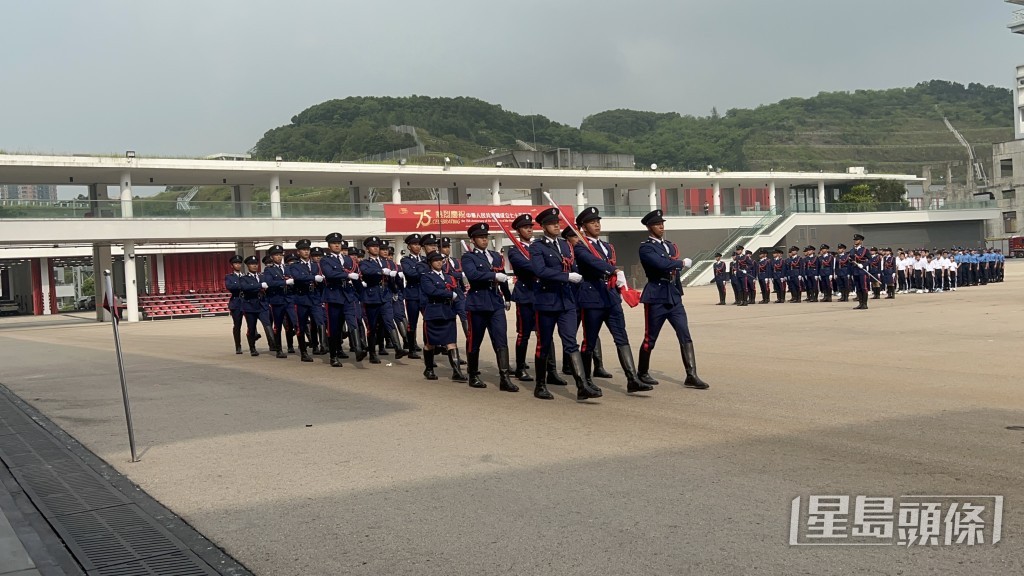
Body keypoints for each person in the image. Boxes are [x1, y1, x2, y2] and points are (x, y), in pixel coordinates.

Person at [573, 207, 653, 393]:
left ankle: (632, 379)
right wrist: (614, 271)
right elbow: (594, 263)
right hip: (592, 297)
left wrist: (617, 280)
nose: (597, 225)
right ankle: (585, 381)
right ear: (583, 227)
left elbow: (608, 262)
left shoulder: (606, 247)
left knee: (621, 337)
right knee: (589, 341)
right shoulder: (580, 246)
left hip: (610, 297)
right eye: (592, 222)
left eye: (598, 221)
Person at [529, 207, 602, 401]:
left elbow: (574, 265)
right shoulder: (537, 246)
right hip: (546, 301)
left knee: (571, 342)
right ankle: (540, 385)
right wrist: (566, 276)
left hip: (566, 301)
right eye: (552, 223)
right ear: (543, 226)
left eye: (557, 222)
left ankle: (582, 385)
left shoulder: (565, 245)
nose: (556, 225)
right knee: (543, 345)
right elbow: (540, 270)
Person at [638, 209, 708, 389]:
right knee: (650, 338)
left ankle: (691, 375)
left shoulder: (670, 245)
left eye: (662, 223)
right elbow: (660, 264)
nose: (661, 226)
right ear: (649, 227)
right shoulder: (646, 247)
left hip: (673, 296)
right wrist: (681, 263)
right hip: (656, 296)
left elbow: (672, 267)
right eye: (657, 224)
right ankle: (642, 372)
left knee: (685, 334)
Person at [461, 222, 517, 391]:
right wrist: (493, 275)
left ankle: (505, 377)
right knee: (474, 339)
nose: (484, 240)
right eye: (480, 238)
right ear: (473, 240)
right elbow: (473, 275)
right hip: (478, 302)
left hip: (495, 302)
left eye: (486, 237)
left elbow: (503, 277)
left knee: (501, 338)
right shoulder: (468, 257)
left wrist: (507, 297)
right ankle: (473, 374)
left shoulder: (496, 256)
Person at [420, 250, 468, 382]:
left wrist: (461, 309)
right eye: (436, 260)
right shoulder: (426, 276)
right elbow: (431, 291)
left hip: (448, 312)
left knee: (451, 342)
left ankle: (457, 372)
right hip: (434, 312)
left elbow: (457, 292)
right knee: (430, 344)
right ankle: (429, 369)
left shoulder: (448, 276)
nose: (439, 262)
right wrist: (448, 294)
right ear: (430, 263)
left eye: (441, 260)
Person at [360, 236, 407, 364]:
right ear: (367, 249)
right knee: (373, 326)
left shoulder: (388, 262)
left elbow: (394, 277)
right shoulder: (365, 263)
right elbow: (366, 272)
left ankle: (398, 348)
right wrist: (381, 271)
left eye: (377, 246)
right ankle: (372, 353)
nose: (376, 248)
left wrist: (398, 284)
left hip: (385, 296)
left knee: (389, 321)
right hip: (372, 297)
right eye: (373, 246)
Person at [507, 213, 538, 381]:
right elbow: (526, 266)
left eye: (531, 227)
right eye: (526, 227)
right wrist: (541, 267)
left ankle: (549, 367)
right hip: (525, 295)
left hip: (541, 294)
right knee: (524, 334)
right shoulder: (514, 250)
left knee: (543, 333)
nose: (529, 230)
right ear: (518, 230)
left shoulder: (538, 246)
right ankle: (520, 367)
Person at [262, 245, 298, 359]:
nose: (279, 257)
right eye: (276, 255)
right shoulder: (269, 269)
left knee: (294, 322)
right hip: (277, 300)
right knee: (278, 325)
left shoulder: (288, 268)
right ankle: (279, 349)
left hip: (289, 299)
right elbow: (270, 283)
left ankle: (293, 345)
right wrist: (285, 283)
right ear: (272, 257)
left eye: (280, 255)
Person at [286, 239, 319, 362]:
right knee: (301, 325)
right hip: (301, 298)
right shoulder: (295, 266)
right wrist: (313, 277)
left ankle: (316, 345)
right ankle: (303, 351)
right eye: (303, 250)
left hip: (314, 298)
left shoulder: (315, 265)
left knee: (318, 322)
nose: (306, 251)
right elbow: (298, 277)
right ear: (298, 252)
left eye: (307, 249)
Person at [239, 255, 273, 356]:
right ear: (248, 266)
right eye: (252, 264)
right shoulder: (244, 278)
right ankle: (252, 347)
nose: (254, 266)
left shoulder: (262, 276)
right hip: (250, 306)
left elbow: (269, 285)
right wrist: (259, 286)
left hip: (262, 304)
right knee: (252, 327)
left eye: (256, 264)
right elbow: (245, 288)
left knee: (268, 325)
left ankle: (273, 344)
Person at [400, 234, 425, 359]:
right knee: (412, 323)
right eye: (414, 244)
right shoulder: (405, 260)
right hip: (412, 294)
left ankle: (429, 347)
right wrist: (423, 270)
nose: (417, 246)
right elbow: (410, 274)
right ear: (409, 246)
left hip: (425, 294)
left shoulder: (425, 258)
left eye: (419, 244)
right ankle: (411, 348)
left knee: (428, 321)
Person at [309, 246, 328, 355]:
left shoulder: (325, 266)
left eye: (320, 256)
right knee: (314, 323)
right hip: (313, 295)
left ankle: (324, 344)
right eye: (315, 256)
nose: (318, 258)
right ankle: (316, 345)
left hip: (324, 295)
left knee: (322, 320)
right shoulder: (310, 266)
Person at [224, 255, 245, 354]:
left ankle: (252, 343)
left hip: (246, 302)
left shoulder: (245, 276)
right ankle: (238, 345)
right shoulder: (229, 277)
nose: (238, 265)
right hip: (236, 303)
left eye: (239, 263)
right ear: (232, 266)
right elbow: (230, 286)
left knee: (252, 324)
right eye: (236, 263)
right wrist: (243, 286)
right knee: (237, 325)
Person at [849, 234, 871, 310]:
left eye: (857, 240)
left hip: (862, 271)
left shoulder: (865, 250)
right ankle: (860, 303)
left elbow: (870, 260)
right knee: (858, 288)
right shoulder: (852, 250)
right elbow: (850, 260)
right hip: (855, 271)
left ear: (861, 241)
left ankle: (865, 304)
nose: (855, 241)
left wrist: (863, 265)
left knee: (863, 287)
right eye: (855, 240)